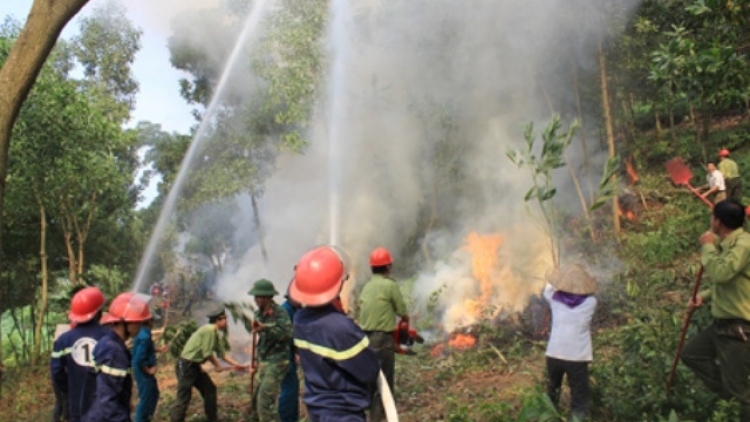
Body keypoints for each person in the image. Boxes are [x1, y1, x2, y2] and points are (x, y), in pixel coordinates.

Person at [289, 246, 381, 422]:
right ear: (338, 285)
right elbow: (369, 370)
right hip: (344, 413)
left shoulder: (300, 320)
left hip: (317, 410)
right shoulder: (340, 328)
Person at [681, 198, 750, 420]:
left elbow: (721, 273)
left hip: (737, 328)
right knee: (691, 354)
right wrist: (702, 296)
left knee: (739, 394)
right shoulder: (729, 244)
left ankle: (735, 400)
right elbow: (729, 282)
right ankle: (729, 393)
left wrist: (708, 246)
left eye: (712, 217)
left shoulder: (743, 245)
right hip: (722, 325)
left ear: (718, 222)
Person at [356, 246, 409, 422]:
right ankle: (380, 419)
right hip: (382, 340)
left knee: (371, 382)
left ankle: (370, 415)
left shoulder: (366, 287)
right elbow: (402, 311)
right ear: (388, 267)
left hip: (365, 340)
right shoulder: (389, 285)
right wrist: (406, 320)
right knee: (384, 384)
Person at [170, 305, 248, 422]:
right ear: (218, 320)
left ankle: (212, 418)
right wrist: (217, 365)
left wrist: (237, 364)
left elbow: (222, 354)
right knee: (184, 397)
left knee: (210, 389)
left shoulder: (215, 333)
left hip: (195, 366)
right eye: (225, 319)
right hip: (186, 366)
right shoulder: (209, 330)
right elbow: (207, 353)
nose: (227, 322)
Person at [84, 293, 152, 422]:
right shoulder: (114, 351)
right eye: (136, 322)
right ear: (122, 322)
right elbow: (107, 399)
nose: (140, 326)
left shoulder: (107, 343)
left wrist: (126, 402)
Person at [543, 264, 598, 421]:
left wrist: (558, 276)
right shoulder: (591, 302)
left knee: (553, 389)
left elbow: (548, 287)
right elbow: (593, 291)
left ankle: (549, 417)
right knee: (579, 395)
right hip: (577, 356)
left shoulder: (553, 299)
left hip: (554, 353)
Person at [50, 286, 109, 422]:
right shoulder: (109, 337)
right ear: (98, 313)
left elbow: (56, 373)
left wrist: (69, 389)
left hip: (76, 405)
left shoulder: (63, 341)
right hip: (104, 405)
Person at [248, 279, 293, 422]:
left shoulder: (280, 313)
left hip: (278, 361)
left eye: (259, 296)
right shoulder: (257, 314)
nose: (256, 299)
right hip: (264, 361)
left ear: (268, 297)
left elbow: (286, 334)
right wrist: (255, 364)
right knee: (256, 401)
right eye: (255, 296)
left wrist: (265, 328)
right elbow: (261, 341)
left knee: (265, 400)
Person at [133, 315, 168, 422]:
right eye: (153, 321)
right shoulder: (144, 336)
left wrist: (159, 349)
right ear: (149, 322)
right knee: (146, 398)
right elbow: (139, 358)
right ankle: (141, 419)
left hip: (143, 370)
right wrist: (148, 370)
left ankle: (147, 418)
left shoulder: (144, 333)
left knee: (154, 394)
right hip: (143, 372)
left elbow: (147, 349)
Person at [278, 290, 300, 422]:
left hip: (288, 354)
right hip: (283, 356)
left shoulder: (293, 309)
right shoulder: (285, 311)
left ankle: (292, 418)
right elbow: (286, 335)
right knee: (289, 390)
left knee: (293, 388)